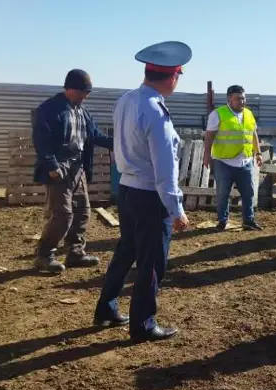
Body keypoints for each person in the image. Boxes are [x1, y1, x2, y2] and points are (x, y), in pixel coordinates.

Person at [91, 41, 192, 342]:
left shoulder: (127, 99)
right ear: (172, 77)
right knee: (152, 262)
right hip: (150, 195)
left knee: (127, 251)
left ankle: (106, 307)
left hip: (127, 189)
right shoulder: (155, 111)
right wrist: (176, 209)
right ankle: (143, 324)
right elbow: (165, 169)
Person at [32, 69, 113, 273]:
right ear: (70, 89)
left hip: (78, 168)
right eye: (83, 92)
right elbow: (41, 141)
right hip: (59, 168)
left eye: (87, 93)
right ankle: (44, 254)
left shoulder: (82, 111)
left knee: (82, 212)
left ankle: (76, 253)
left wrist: (121, 144)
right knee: (63, 215)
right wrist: (51, 166)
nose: (85, 97)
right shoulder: (49, 109)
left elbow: (96, 135)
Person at [203, 85, 264, 231]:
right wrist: (207, 155)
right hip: (224, 161)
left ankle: (248, 220)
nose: (242, 101)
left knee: (248, 193)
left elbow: (253, 134)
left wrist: (258, 153)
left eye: (243, 98)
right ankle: (222, 221)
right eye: (238, 99)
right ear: (229, 99)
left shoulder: (249, 114)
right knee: (223, 193)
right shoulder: (218, 114)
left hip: (245, 161)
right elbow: (209, 136)